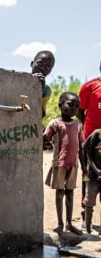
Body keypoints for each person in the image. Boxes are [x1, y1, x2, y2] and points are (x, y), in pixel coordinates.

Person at [43, 92, 85, 236]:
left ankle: (69, 223)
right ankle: (60, 224)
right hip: (59, 164)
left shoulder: (77, 125)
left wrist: (84, 165)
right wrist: (51, 145)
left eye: (76, 106)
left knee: (70, 193)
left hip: (73, 165)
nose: (74, 108)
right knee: (60, 193)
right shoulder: (55, 123)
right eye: (70, 104)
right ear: (60, 105)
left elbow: (81, 146)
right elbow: (45, 138)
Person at [77, 66, 101, 229]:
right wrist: (90, 129)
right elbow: (79, 111)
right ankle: (85, 212)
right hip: (91, 142)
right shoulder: (90, 86)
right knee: (88, 174)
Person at [82, 129, 101, 233]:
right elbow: (88, 152)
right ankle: (88, 229)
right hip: (92, 176)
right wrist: (96, 170)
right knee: (89, 203)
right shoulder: (96, 134)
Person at [30, 50, 55, 118]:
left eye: (47, 67)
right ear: (32, 64)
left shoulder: (46, 90)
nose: (42, 68)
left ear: (50, 71)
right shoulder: (18, 80)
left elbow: (41, 115)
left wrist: (39, 89)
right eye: (39, 64)